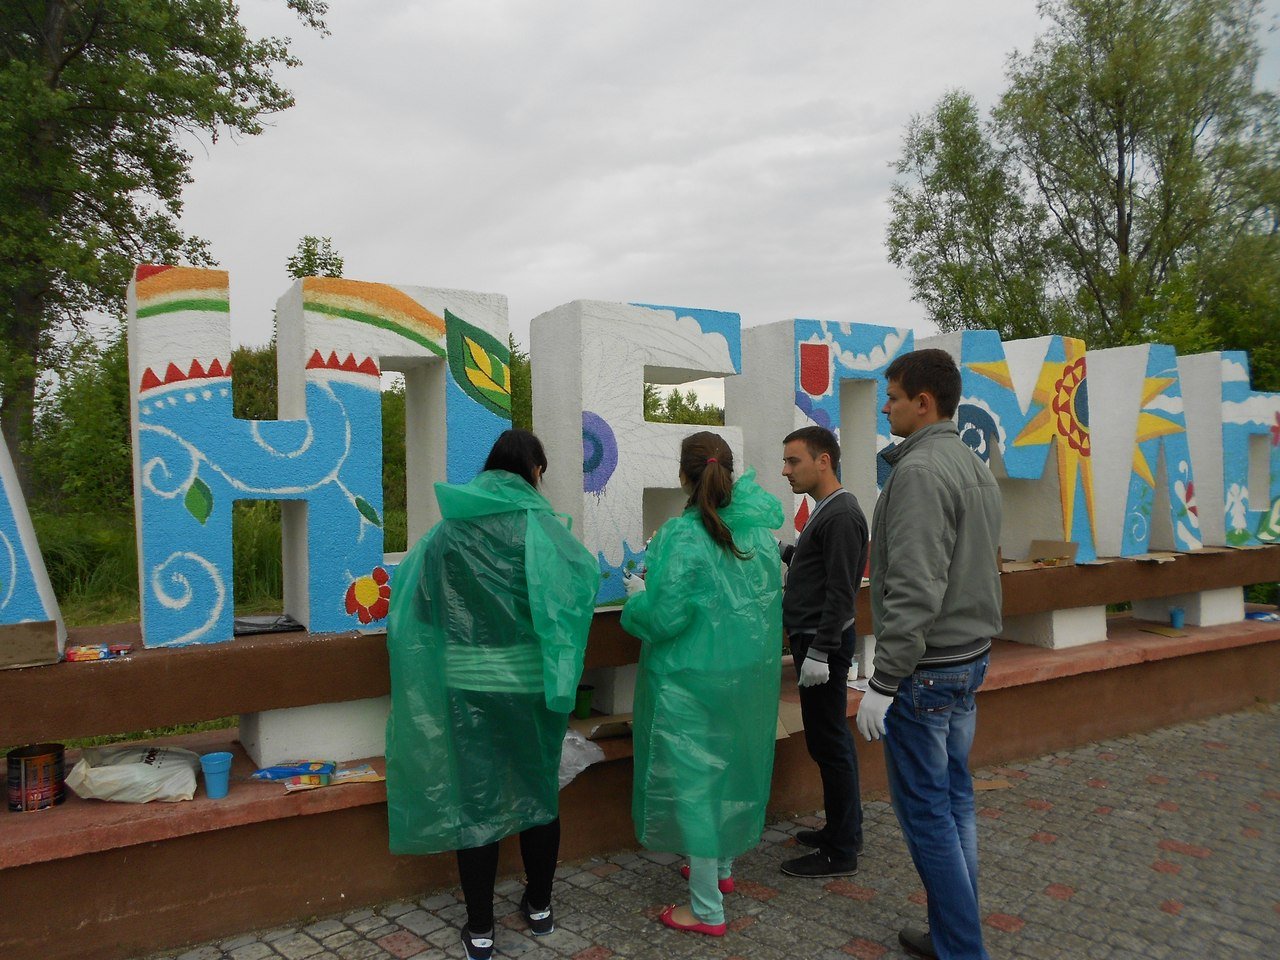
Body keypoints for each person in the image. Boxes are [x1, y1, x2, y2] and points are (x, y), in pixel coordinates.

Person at [384, 429, 599, 960]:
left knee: (476, 801)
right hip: (530, 687)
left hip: (468, 687)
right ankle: (540, 906)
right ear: (535, 471)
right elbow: (576, 593)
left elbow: (423, 606)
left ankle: (480, 928)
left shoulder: (449, 532)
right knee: (538, 793)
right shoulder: (543, 530)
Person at [855, 348, 1002, 960]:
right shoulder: (969, 462)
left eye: (891, 398)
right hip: (966, 657)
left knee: (928, 813)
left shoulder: (918, 472)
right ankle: (953, 936)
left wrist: (883, 682)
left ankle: (961, 948)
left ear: (924, 402)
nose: (884, 408)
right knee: (954, 798)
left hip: (927, 670)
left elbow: (916, 587)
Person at [620, 431, 784, 936]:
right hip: (744, 681)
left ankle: (707, 909)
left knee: (695, 787)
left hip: (686, 683)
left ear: (683, 476)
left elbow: (663, 617)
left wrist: (637, 596)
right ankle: (721, 868)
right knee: (729, 772)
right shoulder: (759, 534)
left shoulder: (681, 536)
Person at [778, 425, 869, 878]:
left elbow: (840, 591)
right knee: (824, 739)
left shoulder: (843, 514)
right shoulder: (826, 510)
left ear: (823, 461)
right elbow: (818, 566)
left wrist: (821, 651)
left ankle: (841, 850)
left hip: (823, 646)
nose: (785, 470)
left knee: (830, 742)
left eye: (793, 461)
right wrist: (783, 551)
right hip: (815, 641)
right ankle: (840, 830)